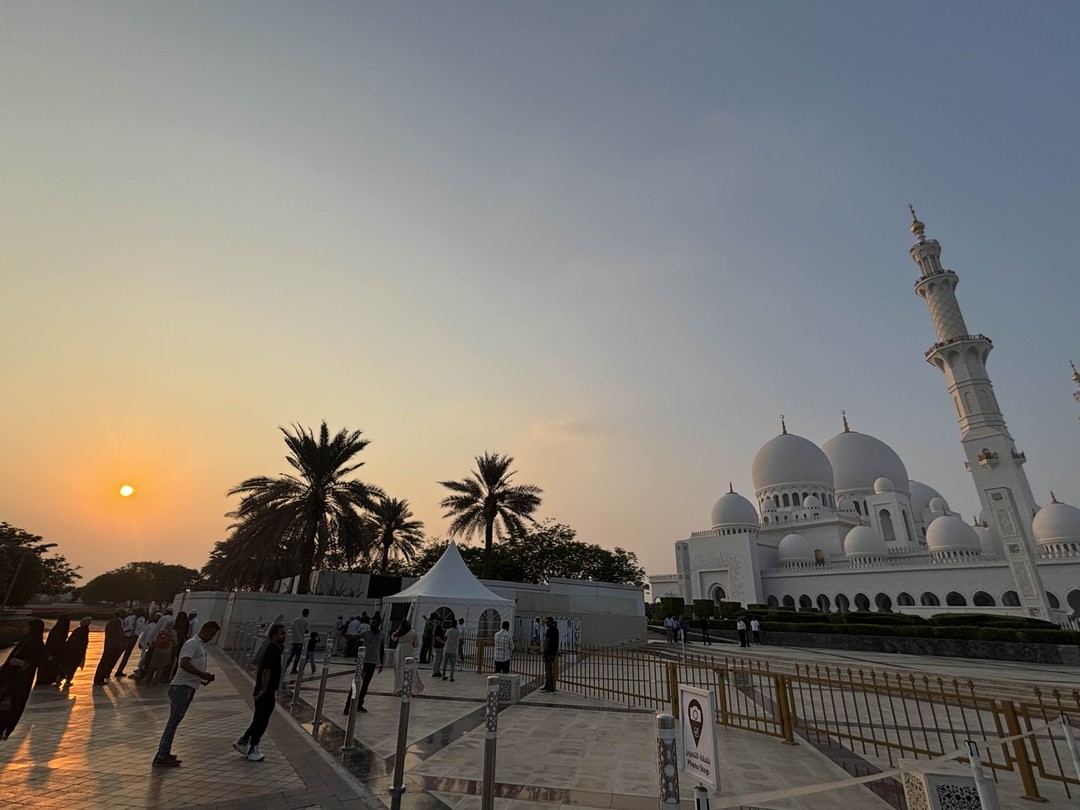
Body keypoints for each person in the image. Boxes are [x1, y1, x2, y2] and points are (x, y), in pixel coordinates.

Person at [152, 621, 219, 767]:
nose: (211, 637)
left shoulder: (199, 644)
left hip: (187, 686)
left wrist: (200, 679)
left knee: (174, 721)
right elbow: (184, 663)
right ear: (204, 629)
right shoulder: (193, 643)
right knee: (173, 722)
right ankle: (162, 754)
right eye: (211, 634)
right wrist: (202, 674)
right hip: (181, 688)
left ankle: (165, 752)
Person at [233, 622, 284, 762]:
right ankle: (253, 748)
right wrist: (264, 689)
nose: (284, 636)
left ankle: (243, 741)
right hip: (265, 692)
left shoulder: (272, 648)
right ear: (273, 636)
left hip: (264, 691)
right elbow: (266, 672)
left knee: (258, 719)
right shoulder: (272, 650)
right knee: (262, 721)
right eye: (281, 634)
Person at [0, 619, 45, 740]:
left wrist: (23, 663)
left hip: (21, 680)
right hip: (9, 677)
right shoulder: (25, 641)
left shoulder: (36, 643)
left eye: (28, 627)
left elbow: (39, 661)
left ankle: (4, 728)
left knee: (12, 703)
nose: (25, 629)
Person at [343, 615, 384, 714]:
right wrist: (345, 634)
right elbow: (355, 637)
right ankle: (347, 706)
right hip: (362, 661)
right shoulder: (366, 633)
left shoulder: (382, 635)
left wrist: (381, 662)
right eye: (371, 622)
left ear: (378, 623)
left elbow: (381, 648)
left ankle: (359, 704)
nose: (371, 624)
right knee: (356, 683)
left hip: (372, 662)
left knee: (365, 685)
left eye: (374, 623)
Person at [93, 609, 126, 684]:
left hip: (108, 644)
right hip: (115, 644)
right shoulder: (120, 622)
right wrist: (123, 642)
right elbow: (120, 632)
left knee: (104, 661)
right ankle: (99, 678)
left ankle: (99, 677)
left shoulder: (110, 622)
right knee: (108, 661)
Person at [390, 619, 423, 695]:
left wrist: (397, 631)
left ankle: (398, 688)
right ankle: (411, 687)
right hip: (409, 651)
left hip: (400, 651)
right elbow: (416, 645)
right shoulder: (413, 632)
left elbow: (394, 638)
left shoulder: (400, 632)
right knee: (410, 668)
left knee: (399, 669)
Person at [36, 616, 71, 687]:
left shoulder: (58, 630)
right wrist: (50, 654)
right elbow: (53, 643)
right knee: (49, 668)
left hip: (55, 653)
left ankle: (50, 680)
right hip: (52, 653)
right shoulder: (59, 631)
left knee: (51, 668)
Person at [58, 617, 93, 688]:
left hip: (71, 651)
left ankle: (59, 679)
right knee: (72, 666)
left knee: (67, 665)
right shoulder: (83, 631)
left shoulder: (78, 630)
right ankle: (67, 680)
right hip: (76, 652)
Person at [145, 614, 178, 685]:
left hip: (157, 650)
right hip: (166, 652)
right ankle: (155, 681)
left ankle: (148, 680)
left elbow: (155, 640)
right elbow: (175, 642)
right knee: (160, 667)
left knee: (152, 666)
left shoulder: (161, 632)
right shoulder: (173, 632)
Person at [115, 608, 145, 677]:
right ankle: (109, 669)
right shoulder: (129, 618)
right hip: (126, 636)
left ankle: (119, 671)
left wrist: (136, 634)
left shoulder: (142, 620)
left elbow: (142, 628)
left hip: (133, 638)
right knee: (118, 653)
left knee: (127, 655)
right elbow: (123, 625)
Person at [285, 609, 310, 674]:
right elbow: (306, 631)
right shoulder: (306, 621)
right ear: (307, 614)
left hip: (294, 639)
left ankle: (285, 667)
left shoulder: (296, 620)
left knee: (292, 654)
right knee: (298, 655)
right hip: (301, 640)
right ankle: (294, 669)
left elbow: (292, 628)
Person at [540, 617, 559, 693]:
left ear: (550, 622)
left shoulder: (549, 630)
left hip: (549, 652)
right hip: (553, 652)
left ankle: (550, 687)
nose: (546, 623)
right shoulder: (556, 630)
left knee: (548, 670)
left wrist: (544, 652)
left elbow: (547, 642)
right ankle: (547, 685)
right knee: (548, 669)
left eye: (547, 622)